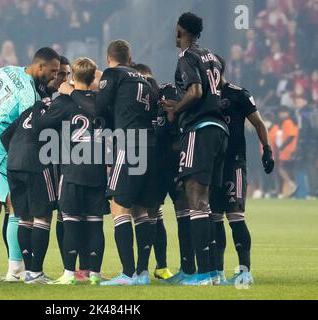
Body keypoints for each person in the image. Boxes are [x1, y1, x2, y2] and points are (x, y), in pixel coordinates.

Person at [60, 40, 159, 286]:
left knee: (118, 207)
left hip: (129, 144)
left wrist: (73, 92)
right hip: (149, 144)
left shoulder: (113, 74)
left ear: (108, 59)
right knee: (142, 210)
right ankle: (143, 272)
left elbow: (98, 109)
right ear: (130, 57)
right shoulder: (143, 79)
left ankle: (127, 274)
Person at [0, 47, 60, 283]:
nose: (54, 76)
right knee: (16, 209)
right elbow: (28, 129)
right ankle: (16, 270)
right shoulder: (30, 95)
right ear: (40, 67)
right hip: (0, 153)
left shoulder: (5, 70)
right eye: (53, 71)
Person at [159, 12, 229, 286]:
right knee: (207, 202)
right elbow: (217, 89)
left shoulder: (186, 56)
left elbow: (197, 91)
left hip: (200, 129)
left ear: (180, 32)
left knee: (194, 197)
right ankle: (212, 272)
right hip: (220, 131)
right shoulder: (215, 58)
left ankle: (201, 275)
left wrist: (176, 108)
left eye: (176, 32)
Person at [35, 58, 110, 285]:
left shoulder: (65, 102)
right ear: (93, 78)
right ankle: (94, 274)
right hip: (97, 169)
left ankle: (69, 273)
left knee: (71, 221)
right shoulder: (102, 103)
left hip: (73, 170)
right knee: (96, 222)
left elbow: (41, 126)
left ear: (73, 78)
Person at [210, 56, 275, 286]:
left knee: (235, 217)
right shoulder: (203, 95)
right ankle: (217, 272)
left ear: (217, 70)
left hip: (234, 163)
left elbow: (258, 122)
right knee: (215, 219)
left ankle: (245, 271)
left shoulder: (238, 93)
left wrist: (266, 149)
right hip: (212, 167)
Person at [131, 63, 174, 281]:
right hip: (161, 164)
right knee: (155, 215)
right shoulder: (162, 96)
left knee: (142, 215)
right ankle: (161, 266)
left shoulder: (140, 97)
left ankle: (142, 269)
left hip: (147, 162)